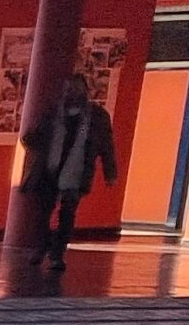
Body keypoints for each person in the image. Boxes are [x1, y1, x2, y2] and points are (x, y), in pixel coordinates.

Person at [20, 70, 118, 274]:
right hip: (49, 170)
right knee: (42, 212)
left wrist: (110, 172)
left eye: (76, 89)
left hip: (76, 172)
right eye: (68, 89)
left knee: (67, 214)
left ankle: (57, 253)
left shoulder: (97, 117)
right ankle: (42, 246)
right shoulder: (52, 114)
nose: (72, 93)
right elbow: (31, 138)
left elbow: (106, 146)